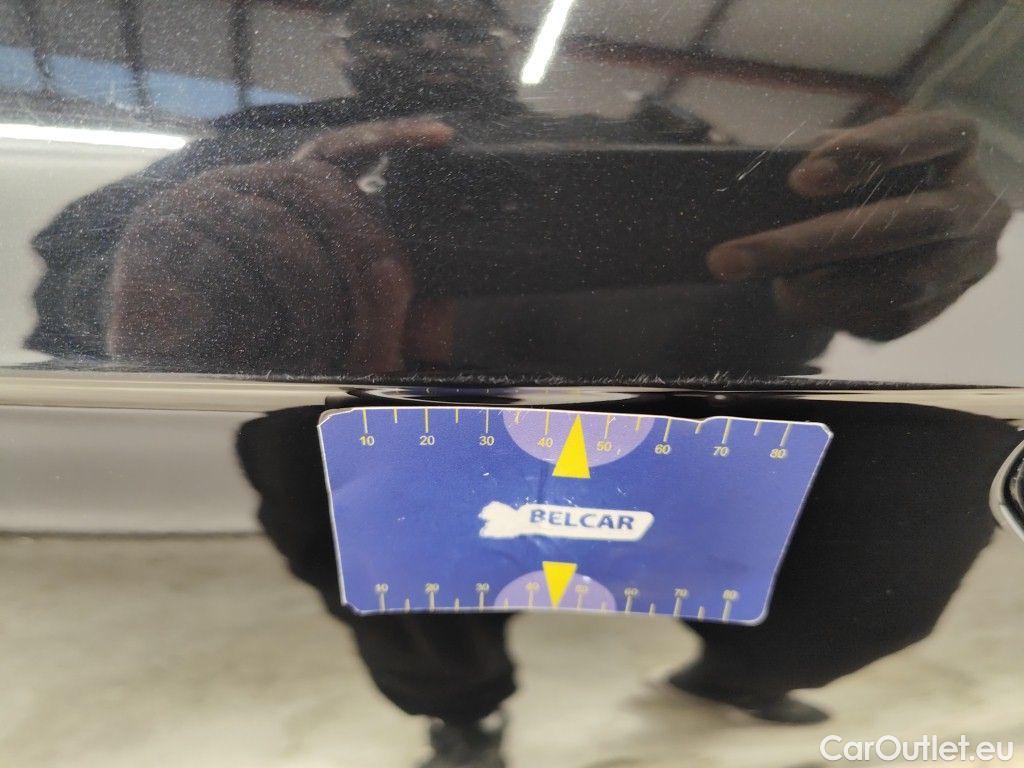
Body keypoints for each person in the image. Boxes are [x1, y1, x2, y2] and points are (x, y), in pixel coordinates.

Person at [26, 0, 1011, 764]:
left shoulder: (644, 137)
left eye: (463, 24)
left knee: (899, 513)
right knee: (399, 595)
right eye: (395, 26)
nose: (433, 41)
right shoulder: (252, 146)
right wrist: (157, 274)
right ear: (344, 48)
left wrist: (911, 243)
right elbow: (75, 270)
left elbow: (801, 260)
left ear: (509, 41)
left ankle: (747, 672)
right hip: (387, 412)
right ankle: (463, 716)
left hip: (674, 396)